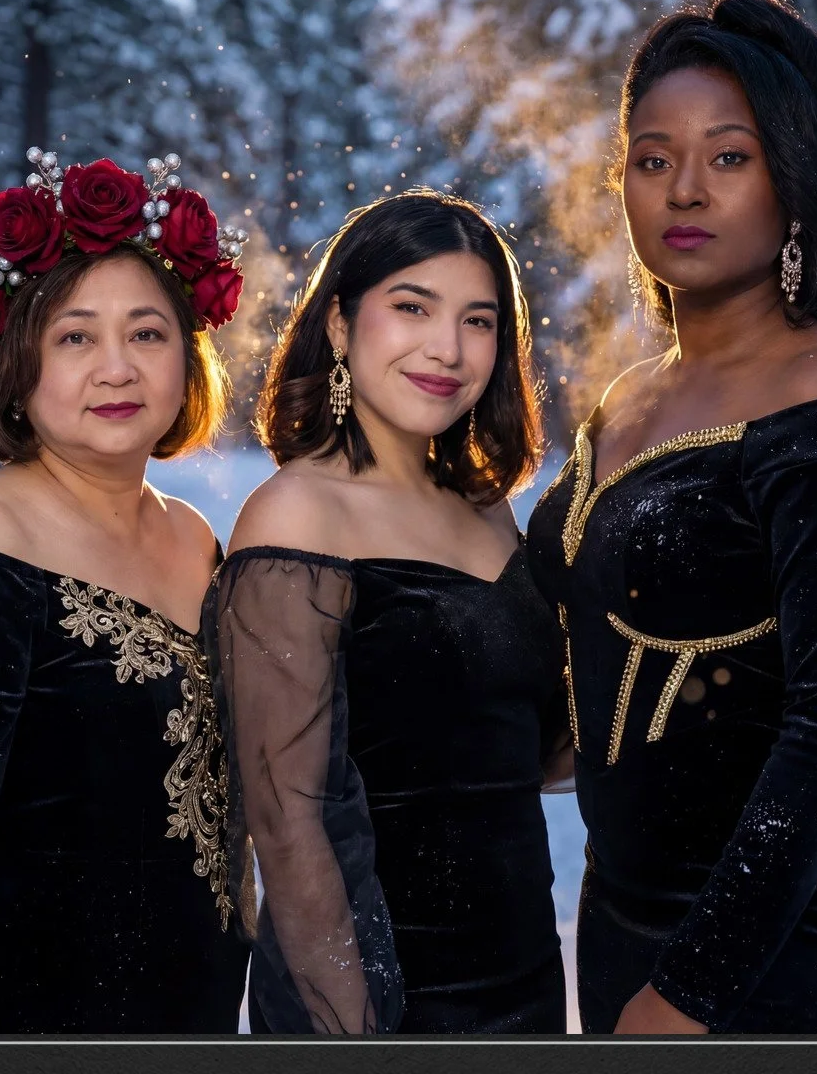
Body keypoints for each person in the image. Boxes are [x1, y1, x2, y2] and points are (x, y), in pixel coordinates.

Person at [524, 0, 817, 1034]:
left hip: (792, 926)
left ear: (791, 183)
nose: (685, 188)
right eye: (653, 159)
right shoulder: (630, 395)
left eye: (728, 156)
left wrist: (695, 986)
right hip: (621, 904)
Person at [0, 148, 253, 1033]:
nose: (116, 369)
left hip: (194, 1014)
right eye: (75, 336)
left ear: (187, 360)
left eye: (147, 333)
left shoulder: (194, 538)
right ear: (18, 364)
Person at [207, 188, 570, 1035]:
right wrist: (354, 1034)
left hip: (522, 978)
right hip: (384, 999)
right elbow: (287, 818)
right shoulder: (297, 514)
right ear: (339, 324)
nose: (447, 348)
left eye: (478, 321)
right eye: (413, 307)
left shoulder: (486, 508)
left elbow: (528, 748)